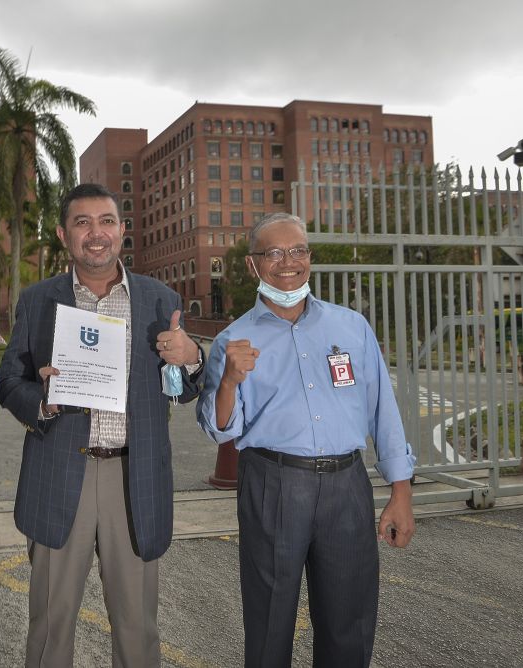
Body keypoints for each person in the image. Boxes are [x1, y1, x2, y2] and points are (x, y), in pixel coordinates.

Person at [196, 213, 416, 668]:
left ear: (309, 258)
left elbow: (383, 412)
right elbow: (220, 428)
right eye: (273, 252)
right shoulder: (234, 339)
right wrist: (230, 383)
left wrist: (400, 493)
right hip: (273, 483)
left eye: (297, 250)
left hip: (346, 485)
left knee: (348, 622)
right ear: (254, 265)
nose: (288, 262)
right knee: (270, 621)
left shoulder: (351, 327)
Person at [0, 183, 204, 667]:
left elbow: (186, 387)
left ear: (122, 230)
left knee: (137, 628)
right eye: (83, 222)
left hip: (132, 478)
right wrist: (42, 400)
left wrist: (192, 358)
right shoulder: (38, 301)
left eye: (106, 221)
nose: (96, 233)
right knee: (50, 625)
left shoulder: (158, 299)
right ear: (63, 233)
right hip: (58, 472)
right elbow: (10, 382)